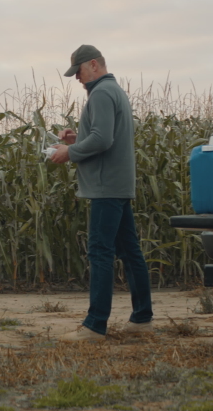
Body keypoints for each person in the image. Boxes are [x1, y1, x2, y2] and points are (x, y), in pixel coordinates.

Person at [50, 44, 154, 342]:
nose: (77, 79)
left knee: (100, 252)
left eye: (78, 72)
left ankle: (95, 325)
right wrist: (76, 139)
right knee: (130, 252)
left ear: (93, 65)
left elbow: (103, 139)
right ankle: (141, 319)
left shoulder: (101, 93)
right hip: (118, 184)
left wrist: (70, 151)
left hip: (105, 186)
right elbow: (101, 136)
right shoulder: (114, 91)